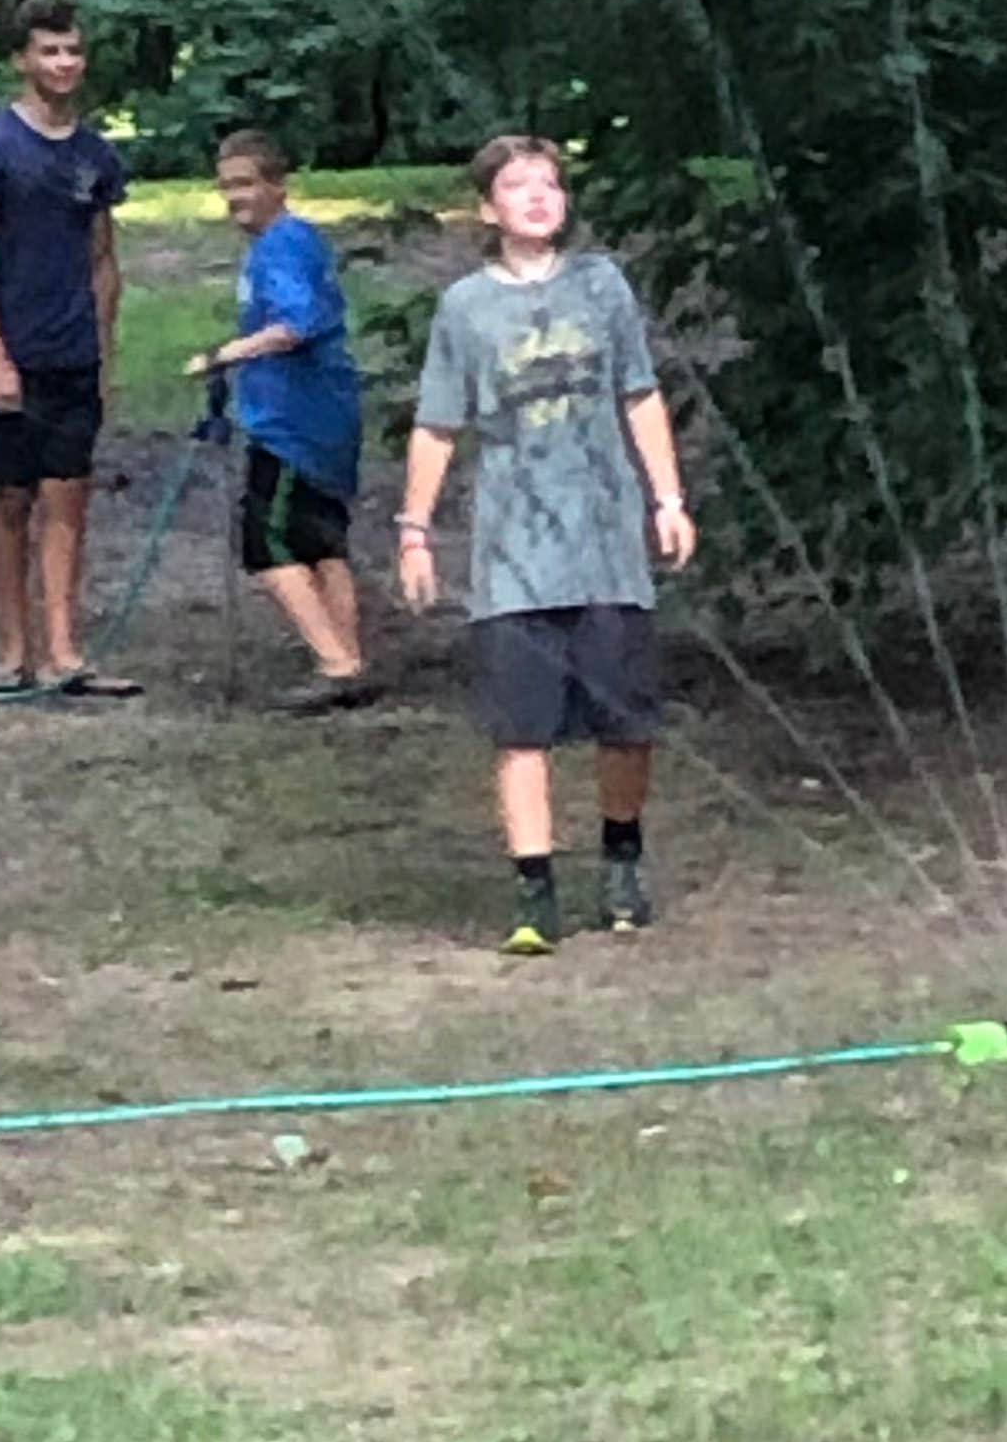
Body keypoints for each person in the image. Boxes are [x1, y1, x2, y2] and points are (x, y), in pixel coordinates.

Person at [397, 132, 696, 952]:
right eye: (518, 186)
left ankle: (622, 862)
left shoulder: (602, 285)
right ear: (488, 209)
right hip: (512, 555)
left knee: (624, 722)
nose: (537, 197)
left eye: (550, 185)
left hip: (605, 543)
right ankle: (535, 894)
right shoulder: (465, 308)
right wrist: (414, 531)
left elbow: (640, 395)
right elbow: (437, 424)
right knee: (521, 727)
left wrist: (667, 499)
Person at [0, 0, 133, 696]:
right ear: (22, 60)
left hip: (73, 352)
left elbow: (103, 259)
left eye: (73, 50)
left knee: (68, 496)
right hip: (10, 351)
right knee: (9, 499)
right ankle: (12, 651)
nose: (63, 63)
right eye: (50, 51)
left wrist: (103, 351)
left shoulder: (96, 155)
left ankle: (64, 651)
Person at [184, 131, 373, 715]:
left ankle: (336, 664)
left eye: (245, 184)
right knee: (322, 542)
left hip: (294, 422)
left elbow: (294, 325)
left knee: (267, 543)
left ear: (277, 185)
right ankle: (348, 660)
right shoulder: (291, 242)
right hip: (322, 413)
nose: (234, 198)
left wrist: (223, 356)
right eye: (226, 187)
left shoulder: (282, 246)